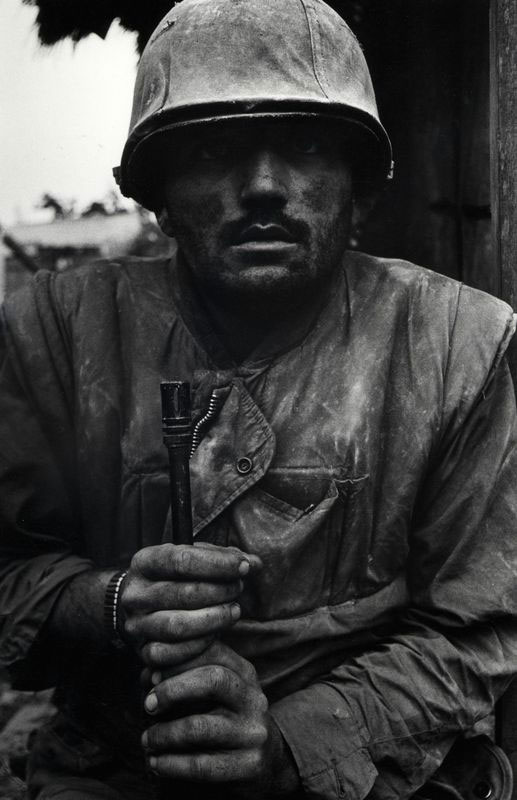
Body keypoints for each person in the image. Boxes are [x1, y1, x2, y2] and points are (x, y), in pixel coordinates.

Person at [1, 0, 517, 798]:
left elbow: (474, 631)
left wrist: (293, 745)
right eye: (213, 149)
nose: (264, 186)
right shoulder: (51, 334)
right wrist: (105, 604)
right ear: (159, 197)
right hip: (119, 765)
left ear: (361, 194)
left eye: (306, 147)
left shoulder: (458, 343)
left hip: (378, 769)